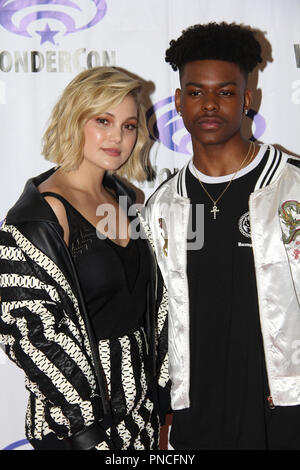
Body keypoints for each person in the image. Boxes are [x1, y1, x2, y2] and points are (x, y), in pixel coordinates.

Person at [146, 22, 300, 450]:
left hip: (284, 410)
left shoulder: (292, 188)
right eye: (195, 92)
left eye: (226, 92)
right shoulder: (162, 206)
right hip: (198, 414)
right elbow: (161, 321)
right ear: (178, 101)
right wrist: (166, 410)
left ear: (248, 99)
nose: (209, 104)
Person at [0, 66, 169, 450]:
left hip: (141, 418)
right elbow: (30, 335)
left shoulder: (125, 200)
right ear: (75, 120)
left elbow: (150, 306)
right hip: (77, 428)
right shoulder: (41, 214)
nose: (118, 137)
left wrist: (160, 396)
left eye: (129, 126)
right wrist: (85, 431)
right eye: (103, 121)